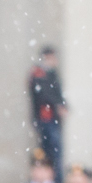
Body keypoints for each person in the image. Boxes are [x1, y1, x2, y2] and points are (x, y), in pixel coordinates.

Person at [26, 45, 65, 175]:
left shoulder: (52, 73)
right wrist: (58, 105)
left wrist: (63, 104)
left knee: (54, 152)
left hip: (52, 119)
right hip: (45, 119)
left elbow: (57, 94)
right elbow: (43, 95)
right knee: (49, 152)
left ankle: (54, 179)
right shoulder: (38, 73)